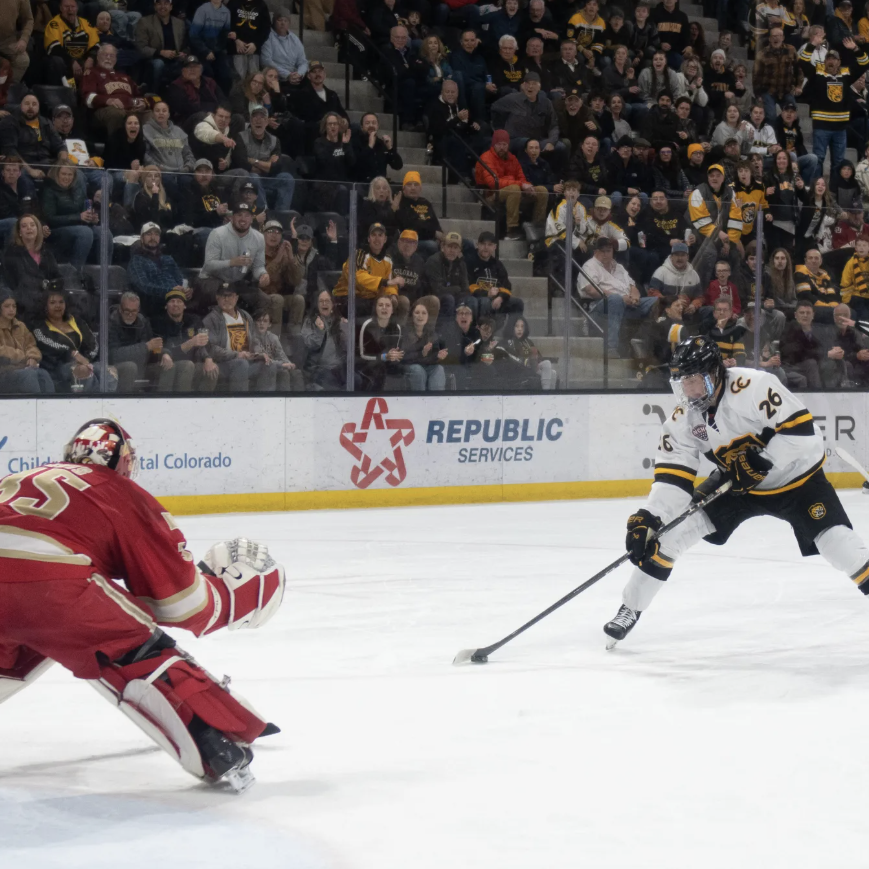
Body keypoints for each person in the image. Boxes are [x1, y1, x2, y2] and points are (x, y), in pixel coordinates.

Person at [0, 417, 286, 790]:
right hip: (50, 586)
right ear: (122, 461)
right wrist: (238, 593)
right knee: (126, 641)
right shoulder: (117, 491)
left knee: (25, 633)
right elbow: (182, 605)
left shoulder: (23, 477)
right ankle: (215, 745)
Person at [603, 335, 869, 647]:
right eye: (682, 382)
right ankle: (630, 608)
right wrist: (650, 516)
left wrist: (764, 460)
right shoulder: (682, 419)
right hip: (737, 485)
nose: (688, 391)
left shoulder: (755, 386)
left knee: (840, 546)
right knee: (668, 537)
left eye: (694, 381)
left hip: (797, 480)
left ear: (715, 373)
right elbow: (673, 479)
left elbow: (805, 436)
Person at [799, 34, 869, 172]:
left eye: (834, 59)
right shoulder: (817, 72)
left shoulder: (846, 73)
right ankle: (816, 190)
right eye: (828, 59)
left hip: (840, 128)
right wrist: (812, 45)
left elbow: (865, 62)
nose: (831, 61)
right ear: (825, 61)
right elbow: (802, 61)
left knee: (838, 162)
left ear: (839, 61)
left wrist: (855, 48)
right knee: (818, 159)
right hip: (821, 125)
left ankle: (834, 192)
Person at [578, 236, 656, 356]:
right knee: (615, 299)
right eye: (602, 251)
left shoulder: (619, 267)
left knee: (655, 302)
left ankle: (649, 346)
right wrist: (621, 298)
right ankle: (611, 348)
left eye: (608, 250)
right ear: (595, 252)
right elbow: (590, 290)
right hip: (599, 310)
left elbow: (633, 287)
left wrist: (635, 297)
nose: (605, 254)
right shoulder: (590, 266)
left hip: (626, 306)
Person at [32, 290, 116, 393]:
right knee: (83, 370)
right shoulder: (39, 327)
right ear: (45, 306)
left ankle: (104, 405)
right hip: (57, 367)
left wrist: (86, 358)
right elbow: (49, 344)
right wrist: (73, 354)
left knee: (109, 371)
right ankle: (90, 402)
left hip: (85, 361)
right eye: (52, 303)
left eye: (61, 302)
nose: (58, 306)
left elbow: (93, 343)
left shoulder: (76, 321)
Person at [476, 129, 548, 241]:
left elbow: (521, 178)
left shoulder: (512, 158)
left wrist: (529, 186)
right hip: (490, 195)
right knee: (514, 188)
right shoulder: (486, 157)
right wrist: (520, 184)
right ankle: (511, 230)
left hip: (514, 192)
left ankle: (537, 226)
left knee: (541, 190)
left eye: (504, 144)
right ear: (493, 144)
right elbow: (493, 182)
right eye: (499, 144)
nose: (502, 147)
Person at [202, 283, 276, 391]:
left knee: (269, 364)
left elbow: (254, 340)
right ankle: (240, 403)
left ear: (236, 298)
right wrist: (237, 354)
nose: (226, 299)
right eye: (223, 296)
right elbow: (211, 348)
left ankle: (265, 403)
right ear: (217, 298)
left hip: (246, 361)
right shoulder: (211, 319)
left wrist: (259, 353)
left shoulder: (245, 316)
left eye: (230, 296)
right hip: (223, 364)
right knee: (241, 363)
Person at [200, 201, 270, 310]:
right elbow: (208, 265)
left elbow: (258, 266)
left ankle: (252, 326)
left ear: (252, 219)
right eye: (239, 215)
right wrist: (231, 262)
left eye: (247, 215)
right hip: (212, 280)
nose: (243, 219)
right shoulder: (217, 234)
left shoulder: (259, 238)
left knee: (264, 300)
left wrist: (263, 275)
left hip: (236, 283)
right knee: (227, 297)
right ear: (232, 217)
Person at [41, 164, 104, 272]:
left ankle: (105, 275)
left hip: (78, 226)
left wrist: (91, 219)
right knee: (85, 232)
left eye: (70, 174)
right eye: (63, 174)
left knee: (104, 233)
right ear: (57, 174)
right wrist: (78, 217)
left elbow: (85, 212)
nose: (67, 177)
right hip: (56, 230)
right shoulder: (49, 191)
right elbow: (50, 218)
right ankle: (75, 273)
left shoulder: (79, 190)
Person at [151, 287, 216, 391]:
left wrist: (208, 358)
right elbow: (156, 350)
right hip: (164, 363)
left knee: (212, 369)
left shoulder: (194, 320)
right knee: (187, 365)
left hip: (192, 362)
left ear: (184, 306)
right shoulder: (157, 323)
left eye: (179, 301)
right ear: (166, 306)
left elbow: (206, 343)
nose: (175, 304)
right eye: (172, 301)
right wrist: (189, 344)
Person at [332, 222, 402, 319]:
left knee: (402, 302)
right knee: (373, 306)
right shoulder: (359, 255)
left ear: (385, 239)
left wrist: (392, 294)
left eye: (380, 235)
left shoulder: (388, 260)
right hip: (348, 296)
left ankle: (393, 332)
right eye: (373, 235)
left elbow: (391, 283)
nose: (377, 239)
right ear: (369, 239)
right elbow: (358, 278)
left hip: (372, 298)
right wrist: (384, 282)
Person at [81, 44, 150, 137]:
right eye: (105, 55)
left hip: (130, 109)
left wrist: (142, 103)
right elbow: (87, 98)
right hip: (104, 110)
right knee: (116, 114)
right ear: (98, 57)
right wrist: (108, 101)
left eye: (112, 55)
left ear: (116, 59)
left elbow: (137, 94)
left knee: (149, 115)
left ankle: (147, 149)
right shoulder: (92, 73)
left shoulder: (125, 76)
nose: (108, 58)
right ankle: (116, 148)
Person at [0, 95, 67, 183]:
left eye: (34, 104)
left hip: (48, 164)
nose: (30, 107)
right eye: (27, 104)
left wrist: (62, 167)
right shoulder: (10, 122)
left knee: (78, 174)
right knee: (21, 176)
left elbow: (60, 147)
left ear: (39, 107)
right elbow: (10, 151)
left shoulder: (46, 123)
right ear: (21, 106)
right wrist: (30, 170)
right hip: (24, 165)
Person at [128, 221, 187, 317]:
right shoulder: (137, 260)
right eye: (149, 234)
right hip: (154, 303)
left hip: (175, 299)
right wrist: (169, 290)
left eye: (156, 234)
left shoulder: (168, 258)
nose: (153, 237)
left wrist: (185, 291)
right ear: (142, 238)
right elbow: (143, 286)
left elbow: (179, 280)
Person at [0, 291, 54, 394]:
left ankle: (51, 408)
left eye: (14, 306)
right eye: (7, 306)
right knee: (29, 376)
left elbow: (31, 345)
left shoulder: (21, 326)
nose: (11, 309)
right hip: (4, 373)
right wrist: (22, 356)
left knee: (43, 374)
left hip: (23, 369)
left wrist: (32, 357)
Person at [466, 230, 525, 324]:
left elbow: (507, 286)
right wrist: (486, 294)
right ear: (477, 245)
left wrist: (501, 297)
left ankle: (511, 335)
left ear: (495, 247)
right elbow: (468, 285)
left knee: (518, 303)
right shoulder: (470, 262)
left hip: (496, 299)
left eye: (489, 245)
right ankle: (483, 334)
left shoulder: (497, 264)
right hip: (478, 299)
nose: (486, 247)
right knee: (485, 302)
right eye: (483, 244)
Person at [135, 0, 189, 95]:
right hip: (153, 59)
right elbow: (141, 47)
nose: (162, 6)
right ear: (155, 6)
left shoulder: (180, 23)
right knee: (158, 64)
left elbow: (186, 46)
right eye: (159, 3)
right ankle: (154, 94)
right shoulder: (144, 22)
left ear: (171, 6)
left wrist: (183, 53)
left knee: (191, 63)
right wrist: (160, 52)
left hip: (175, 59)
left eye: (166, 3)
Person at [44, 0, 99, 86]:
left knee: (102, 57)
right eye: (66, 7)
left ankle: (90, 92)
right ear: (61, 8)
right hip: (65, 63)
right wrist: (72, 62)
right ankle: (63, 92)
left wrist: (91, 58)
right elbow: (54, 48)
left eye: (73, 7)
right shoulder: (54, 24)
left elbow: (95, 45)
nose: (70, 10)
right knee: (56, 61)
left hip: (83, 61)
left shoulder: (86, 23)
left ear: (77, 8)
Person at [301, 289, 347, 390]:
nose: (324, 304)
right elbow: (311, 345)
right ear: (317, 304)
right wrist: (319, 330)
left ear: (333, 304)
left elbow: (347, 348)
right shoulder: (310, 321)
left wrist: (345, 328)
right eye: (321, 301)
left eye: (327, 301)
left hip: (339, 369)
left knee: (358, 381)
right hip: (318, 370)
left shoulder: (338, 321)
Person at [421, 232, 472, 322]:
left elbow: (466, 289)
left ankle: (464, 333)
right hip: (430, 298)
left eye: (455, 248)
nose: (452, 251)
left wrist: (462, 303)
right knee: (449, 299)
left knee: (471, 302)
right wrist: (457, 288)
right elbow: (437, 290)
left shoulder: (461, 264)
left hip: (453, 297)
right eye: (449, 247)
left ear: (460, 250)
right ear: (442, 247)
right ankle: (442, 332)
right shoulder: (434, 261)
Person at [357, 294, 403, 391]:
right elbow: (361, 355)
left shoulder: (396, 327)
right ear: (376, 308)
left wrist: (396, 356)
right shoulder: (367, 326)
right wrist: (384, 357)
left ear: (392, 310)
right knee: (379, 369)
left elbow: (395, 351)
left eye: (388, 305)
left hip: (386, 365)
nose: (384, 308)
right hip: (367, 365)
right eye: (381, 305)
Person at [818, 301, 869, 386]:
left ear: (849, 317)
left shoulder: (854, 332)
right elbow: (836, 354)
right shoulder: (828, 332)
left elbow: (861, 348)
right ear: (834, 317)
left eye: (845, 315)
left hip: (855, 364)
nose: (842, 318)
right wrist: (856, 356)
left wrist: (864, 354)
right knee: (846, 365)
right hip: (835, 365)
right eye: (839, 315)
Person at [165, 55, 226, 125]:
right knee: (202, 116)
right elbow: (185, 108)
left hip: (214, 114)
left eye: (195, 67)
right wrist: (208, 113)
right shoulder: (176, 86)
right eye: (188, 67)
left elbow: (223, 100)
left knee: (237, 118)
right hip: (188, 121)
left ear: (201, 69)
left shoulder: (210, 82)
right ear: (183, 71)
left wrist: (219, 113)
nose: (192, 70)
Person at [399, 300, 447, 391]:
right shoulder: (404, 332)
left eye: (424, 313)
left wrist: (438, 356)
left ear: (428, 316)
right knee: (418, 370)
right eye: (417, 312)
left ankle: (437, 401)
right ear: (412, 316)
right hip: (411, 367)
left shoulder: (431, 333)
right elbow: (404, 357)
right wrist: (422, 353)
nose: (420, 316)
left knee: (439, 369)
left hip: (428, 365)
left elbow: (434, 356)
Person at [251, 308, 303, 391]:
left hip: (273, 365)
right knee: (283, 373)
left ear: (269, 324)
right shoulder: (253, 338)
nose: (261, 324)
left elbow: (281, 354)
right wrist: (282, 365)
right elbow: (264, 360)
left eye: (265, 321)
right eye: (259, 321)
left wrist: (289, 364)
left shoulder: (273, 337)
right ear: (254, 323)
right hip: (259, 367)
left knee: (296, 373)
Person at [754, 27, 798, 122]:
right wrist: (758, 94)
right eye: (773, 36)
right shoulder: (762, 54)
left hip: (786, 90)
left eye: (779, 36)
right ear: (769, 39)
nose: (776, 38)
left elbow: (798, 68)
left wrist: (799, 85)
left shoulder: (791, 50)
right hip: (769, 91)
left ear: (783, 38)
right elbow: (756, 75)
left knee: (793, 116)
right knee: (771, 117)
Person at [189, 0, 232, 94]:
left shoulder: (226, 12)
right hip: (201, 51)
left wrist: (229, 35)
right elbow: (193, 35)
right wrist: (206, 51)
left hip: (218, 51)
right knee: (208, 73)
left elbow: (225, 33)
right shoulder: (202, 10)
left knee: (226, 76)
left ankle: (222, 101)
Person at [780, 299, 826, 386]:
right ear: (795, 315)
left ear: (813, 315)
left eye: (808, 313)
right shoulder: (789, 330)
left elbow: (823, 347)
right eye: (802, 313)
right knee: (811, 363)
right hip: (791, 365)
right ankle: (818, 394)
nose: (805, 315)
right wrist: (821, 354)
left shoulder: (819, 330)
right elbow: (796, 353)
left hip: (815, 361)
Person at [259, 7, 307, 86]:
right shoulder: (267, 36)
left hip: (294, 77)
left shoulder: (294, 39)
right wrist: (287, 75)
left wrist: (299, 74)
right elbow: (266, 61)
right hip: (276, 77)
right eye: (280, 20)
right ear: (274, 21)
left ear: (289, 23)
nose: (283, 23)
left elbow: (303, 62)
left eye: (286, 21)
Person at [227, 0, 271, 79]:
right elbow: (227, 25)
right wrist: (236, 40)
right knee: (238, 79)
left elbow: (266, 29)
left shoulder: (261, 5)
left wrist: (256, 44)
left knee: (254, 78)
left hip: (253, 49)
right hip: (236, 49)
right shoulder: (233, 3)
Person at [0, 0, 32, 84]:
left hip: (7, 41)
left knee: (22, 60)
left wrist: (24, 39)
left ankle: (6, 89)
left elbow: (28, 19)